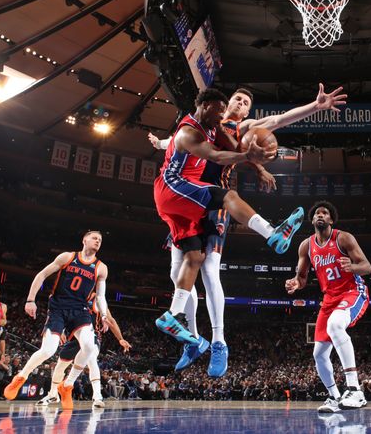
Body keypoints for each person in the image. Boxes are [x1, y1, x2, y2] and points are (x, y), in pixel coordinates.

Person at [149, 84, 347, 377]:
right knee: (177, 271)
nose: (240, 104)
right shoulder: (205, 126)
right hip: (185, 197)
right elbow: (178, 141)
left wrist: (315, 107)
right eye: (237, 99)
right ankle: (189, 338)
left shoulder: (246, 129)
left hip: (215, 202)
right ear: (226, 103)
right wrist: (161, 143)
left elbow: (280, 120)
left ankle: (218, 342)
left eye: (246, 103)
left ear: (247, 113)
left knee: (210, 271)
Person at [152, 88, 306, 347]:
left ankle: (173, 316)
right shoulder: (192, 130)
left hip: (189, 201)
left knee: (195, 259)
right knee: (229, 197)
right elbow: (215, 154)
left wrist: (255, 164)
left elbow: (252, 137)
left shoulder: (222, 127)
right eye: (224, 105)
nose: (224, 112)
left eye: (244, 103)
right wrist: (249, 157)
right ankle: (273, 235)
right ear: (203, 106)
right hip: (178, 189)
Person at [3, 230, 110, 410]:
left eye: (100, 239)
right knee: (48, 350)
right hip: (58, 308)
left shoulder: (101, 267)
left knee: (90, 346)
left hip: (80, 310)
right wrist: (31, 299)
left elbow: (100, 296)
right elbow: (41, 275)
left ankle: (67, 385)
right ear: (84, 240)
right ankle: (21, 377)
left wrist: (105, 315)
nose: (98, 241)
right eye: (94, 238)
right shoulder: (68, 257)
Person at [285, 201, 371, 412]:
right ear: (312, 220)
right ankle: (334, 397)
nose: (320, 215)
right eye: (316, 213)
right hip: (329, 299)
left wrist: (353, 267)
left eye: (324, 213)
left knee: (335, 325)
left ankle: (355, 390)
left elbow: (367, 266)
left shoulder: (343, 238)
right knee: (319, 354)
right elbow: (302, 277)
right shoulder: (306, 246)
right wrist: (296, 283)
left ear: (331, 219)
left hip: (352, 292)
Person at [38, 295, 131, 408]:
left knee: (91, 357)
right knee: (60, 365)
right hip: (74, 336)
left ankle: (97, 396)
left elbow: (111, 320)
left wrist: (120, 338)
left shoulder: (98, 299)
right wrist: (61, 330)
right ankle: (53, 394)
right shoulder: (73, 296)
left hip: (93, 335)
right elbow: (63, 314)